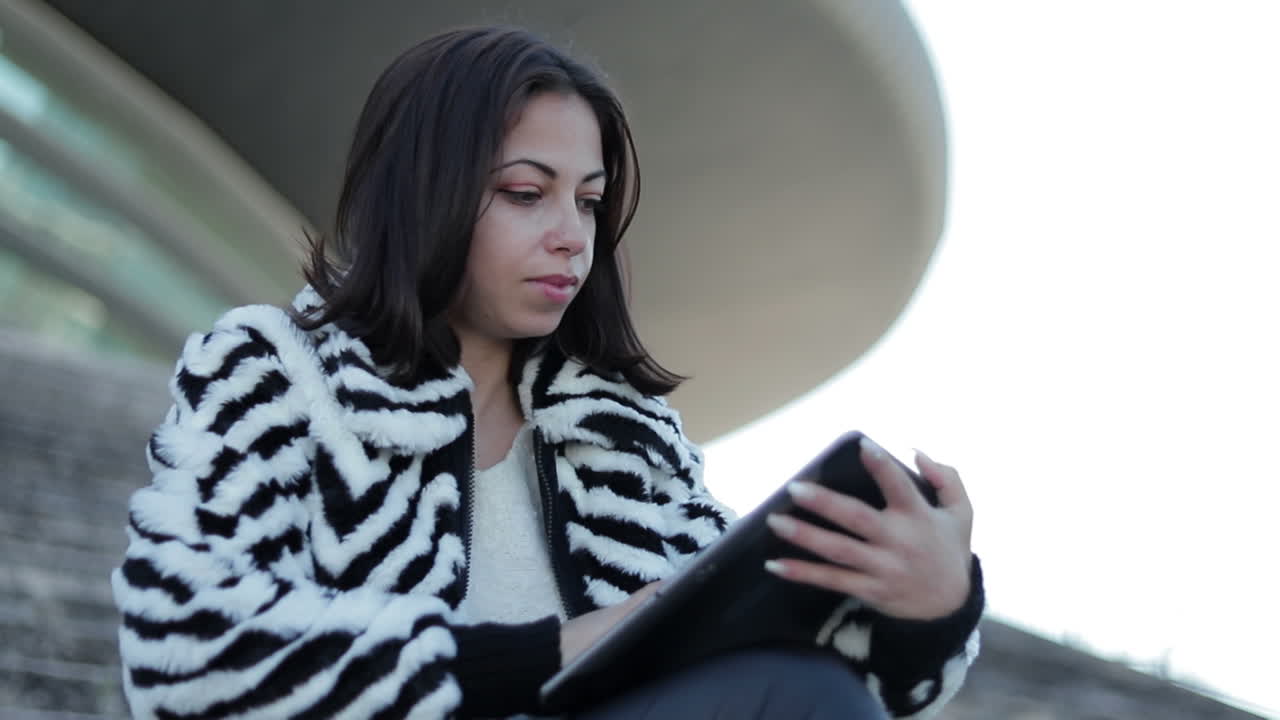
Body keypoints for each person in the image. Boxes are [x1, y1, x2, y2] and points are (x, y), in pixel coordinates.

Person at [111, 25, 983, 719]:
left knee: (810, 691)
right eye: (527, 193)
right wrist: (561, 649)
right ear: (426, 193)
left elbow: (787, 670)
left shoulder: (625, 441)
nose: (572, 232)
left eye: (590, 200)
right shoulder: (273, 372)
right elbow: (185, 645)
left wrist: (929, 610)